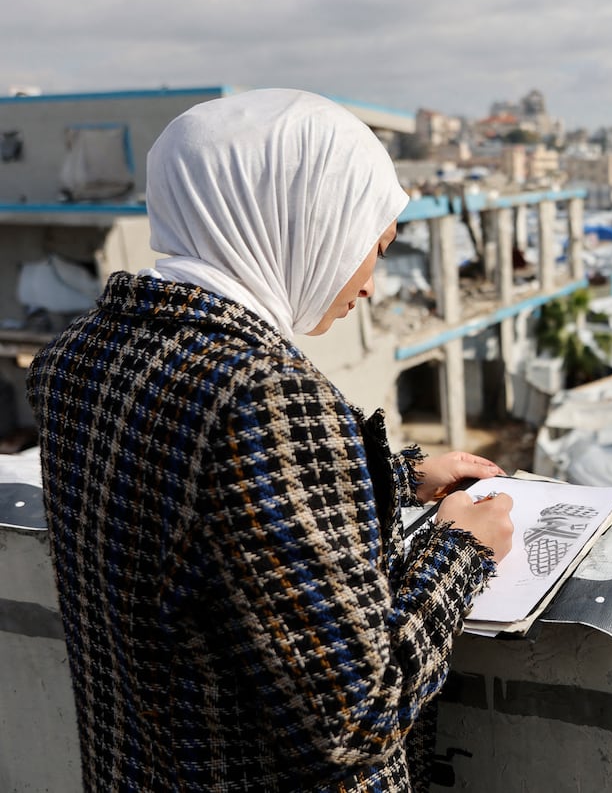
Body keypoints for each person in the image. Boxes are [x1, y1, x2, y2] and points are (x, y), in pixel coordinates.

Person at [26, 89, 514, 792]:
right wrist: (461, 550)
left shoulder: (79, 355)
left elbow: (197, 510)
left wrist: (384, 473)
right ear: (306, 221)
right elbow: (356, 716)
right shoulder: (261, 392)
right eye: (372, 248)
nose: (371, 284)